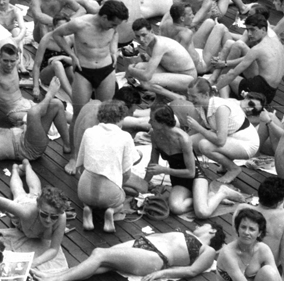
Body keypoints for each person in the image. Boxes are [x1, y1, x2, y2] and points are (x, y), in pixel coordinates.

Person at [53, 222, 224, 281]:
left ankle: (59, 279)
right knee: (102, 262)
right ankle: (55, 275)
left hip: (156, 257)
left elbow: (192, 271)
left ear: (212, 231)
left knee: (99, 253)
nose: (198, 226)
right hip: (143, 244)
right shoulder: (187, 233)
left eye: (204, 225)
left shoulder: (208, 250)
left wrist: (162, 274)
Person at [75, 100, 136, 233]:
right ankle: (111, 211)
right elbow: (127, 173)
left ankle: (88, 208)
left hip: (85, 188)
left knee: (88, 199)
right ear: (120, 118)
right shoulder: (125, 136)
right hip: (109, 192)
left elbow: (79, 165)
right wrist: (119, 184)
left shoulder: (89, 132)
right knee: (121, 198)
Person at [215, 208, 281, 281]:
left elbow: (276, 276)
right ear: (238, 229)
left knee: (269, 272)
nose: (246, 232)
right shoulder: (227, 253)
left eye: (252, 229)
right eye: (243, 227)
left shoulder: (263, 249)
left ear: (259, 233)